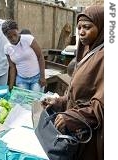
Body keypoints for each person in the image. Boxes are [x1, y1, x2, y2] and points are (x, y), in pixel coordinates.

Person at [41, 5, 103, 160]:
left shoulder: (105, 58)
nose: (81, 32)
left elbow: (103, 105)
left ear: (101, 27)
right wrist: (59, 102)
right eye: (79, 27)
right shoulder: (89, 52)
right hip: (77, 133)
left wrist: (73, 117)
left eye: (87, 27)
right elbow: (78, 94)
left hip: (91, 138)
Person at [2, 19, 46, 92]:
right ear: (5, 36)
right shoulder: (7, 48)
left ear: (17, 30)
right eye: (9, 37)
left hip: (36, 78)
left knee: (35, 101)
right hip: (21, 80)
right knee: (24, 102)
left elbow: (40, 57)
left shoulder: (28, 39)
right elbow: (12, 67)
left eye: (15, 35)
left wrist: (42, 77)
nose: (13, 38)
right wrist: (11, 86)